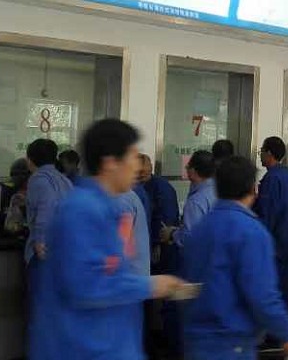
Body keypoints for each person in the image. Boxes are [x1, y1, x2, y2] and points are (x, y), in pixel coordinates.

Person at [32, 119, 185, 359]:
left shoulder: (108, 206)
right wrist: (150, 285)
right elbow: (85, 285)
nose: (137, 166)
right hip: (83, 348)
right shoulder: (81, 210)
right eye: (132, 156)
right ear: (110, 163)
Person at [183, 156, 288, 360]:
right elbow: (262, 295)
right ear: (253, 189)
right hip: (232, 344)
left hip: (196, 341)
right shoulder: (252, 232)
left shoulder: (200, 228)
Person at [25, 138, 74, 354]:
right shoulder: (65, 180)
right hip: (64, 253)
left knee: (40, 312)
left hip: (44, 256)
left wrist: (39, 241)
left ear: (29, 159)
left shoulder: (38, 179)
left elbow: (44, 211)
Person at [138, 153, 182, 356]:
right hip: (149, 248)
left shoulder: (161, 188)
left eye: (143, 173)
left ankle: (162, 342)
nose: (141, 176)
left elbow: (166, 219)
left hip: (162, 249)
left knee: (161, 296)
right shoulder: (143, 187)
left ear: (150, 169)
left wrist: (157, 244)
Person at [255, 137, 288, 321]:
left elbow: (268, 215)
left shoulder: (272, 179)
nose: (260, 155)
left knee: (273, 292)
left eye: (261, 151)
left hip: (275, 245)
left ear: (269, 153)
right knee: (287, 291)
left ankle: (275, 331)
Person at [160, 150, 217, 248]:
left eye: (188, 166)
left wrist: (172, 234)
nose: (186, 169)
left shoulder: (196, 201)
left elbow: (190, 238)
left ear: (193, 171)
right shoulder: (220, 191)